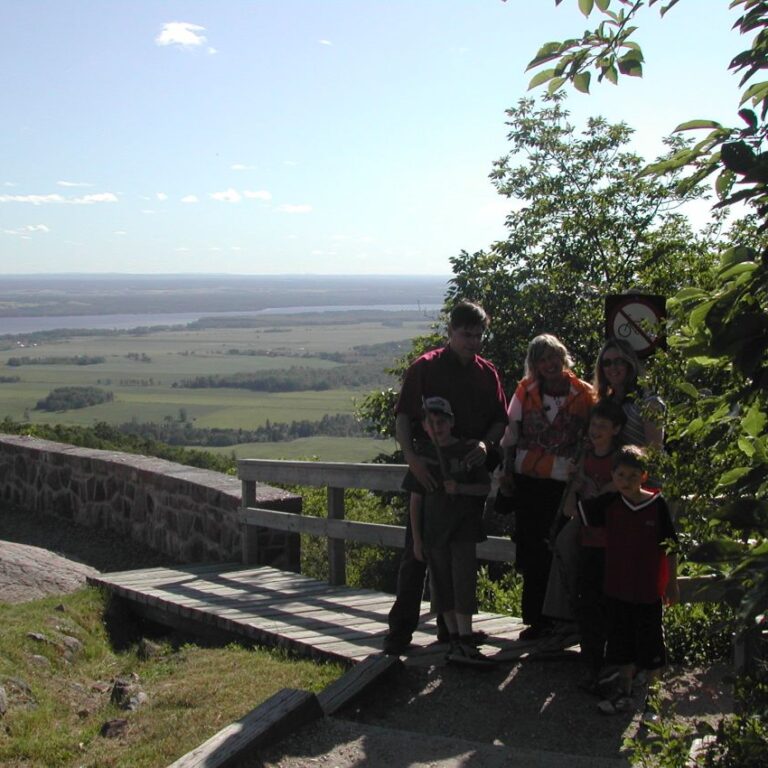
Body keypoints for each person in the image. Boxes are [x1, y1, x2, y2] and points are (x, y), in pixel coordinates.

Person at [383, 301, 508, 655]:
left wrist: (486, 445)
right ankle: (400, 631)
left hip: (467, 470)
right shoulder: (425, 368)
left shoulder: (488, 373)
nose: (472, 341)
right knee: (418, 552)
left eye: (478, 335)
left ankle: (451, 631)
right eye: (466, 334)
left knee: (457, 554)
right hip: (430, 465)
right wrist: (412, 461)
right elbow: (405, 417)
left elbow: (500, 420)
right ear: (450, 332)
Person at [499, 334, 594, 639]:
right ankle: (537, 621)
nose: (550, 364)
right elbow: (510, 435)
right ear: (535, 365)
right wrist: (506, 471)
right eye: (543, 359)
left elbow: (594, 436)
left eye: (555, 356)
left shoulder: (584, 393)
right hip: (530, 482)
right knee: (531, 548)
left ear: (564, 357)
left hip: (565, 485)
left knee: (564, 548)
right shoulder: (525, 392)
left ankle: (567, 619)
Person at [577, 445, 679, 719]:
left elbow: (671, 546)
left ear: (644, 476)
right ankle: (625, 693)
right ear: (613, 476)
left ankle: (653, 701)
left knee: (651, 647)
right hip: (617, 588)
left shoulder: (657, 506)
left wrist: (672, 582)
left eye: (633, 475)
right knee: (621, 647)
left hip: (648, 590)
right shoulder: (610, 504)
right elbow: (575, 512)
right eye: (620, 475)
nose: (626, 481)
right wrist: (575, 483)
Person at [404, 396, 493, 666]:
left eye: (442, 421)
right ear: (425, 427)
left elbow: (485, 487)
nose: (438, 427)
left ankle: (466, 638)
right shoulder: (423, 459)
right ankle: (455, 639)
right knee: (442, 585)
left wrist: (461, 488)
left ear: (451, 422)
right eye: (432, 423)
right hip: (434, 532)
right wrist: (417, 540)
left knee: (463, 582)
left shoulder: (469, 451)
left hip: (464, 529)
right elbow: (415, 500)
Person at [541, 399, 626, 655]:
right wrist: (574, 488)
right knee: (565, 543)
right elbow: (569, 509)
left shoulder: (621, 458)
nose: (596, 429)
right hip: (585, 519)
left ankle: (605, 625)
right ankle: (564, 618)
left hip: (613, 522)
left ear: (616, 429)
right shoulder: (584, 457)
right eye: (593, 424)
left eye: (603, 425)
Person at [594, 338, 665, 450]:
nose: (613, 367)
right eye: (607, 363)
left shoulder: (648, 402)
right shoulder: (605, 403)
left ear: (629, 364)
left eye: (618, 361)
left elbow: (655, 452)